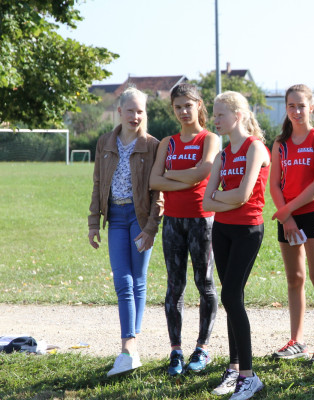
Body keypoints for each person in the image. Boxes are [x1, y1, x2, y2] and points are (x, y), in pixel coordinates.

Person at [88, 87, 163, 377]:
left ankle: (129, 348)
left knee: (138, 280)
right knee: (123, 281)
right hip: (116, 219)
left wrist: (151, 227)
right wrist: (93, 222)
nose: (135, 116)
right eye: (130, 110)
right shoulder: (105, 143)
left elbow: (158, 193)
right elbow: (98, 183)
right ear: (120, 111)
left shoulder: (153, 145)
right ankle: (129, 348)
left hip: (140, 217)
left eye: (140, 111)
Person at [203, 91, 270, 400]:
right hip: (223, 230)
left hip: (248, 230)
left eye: (220, 114)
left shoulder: (255, 148)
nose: (215, 120)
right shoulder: (222, 155)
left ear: (238, 115)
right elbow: (206, 201)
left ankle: (249, 376)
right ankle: (234, 369)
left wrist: (220, 197)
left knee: (230, 295)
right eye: (214, 114)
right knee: (232, 298)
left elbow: (243, 196)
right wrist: (223, 198)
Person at [149, 83, 219, 376]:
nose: (183, 112)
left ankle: (202, 348)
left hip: (202, 220)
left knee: (205, 284)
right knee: (174, 286)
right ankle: (176, 351)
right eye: (178, 107)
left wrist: (171, 175)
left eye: (188, 105)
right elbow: (154, 181)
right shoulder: (168, 142)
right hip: (173, 222)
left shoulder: (210, 138)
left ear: (198, 104)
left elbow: (203, 172)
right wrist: (185, 178)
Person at [269, 84, 314, 364]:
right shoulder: (280, 143)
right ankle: (297, 342)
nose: (296, 111)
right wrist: (286, 218)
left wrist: (286, 212)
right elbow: (274, 185)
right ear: (286, 109)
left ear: (311, 108)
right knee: (295, 279)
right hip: (288, 219)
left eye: (301, 106)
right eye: (291, 106)